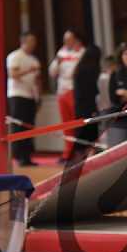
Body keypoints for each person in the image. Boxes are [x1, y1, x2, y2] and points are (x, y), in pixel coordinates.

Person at [47, 30, 85, 162]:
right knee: (66, 125)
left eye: (69, 39)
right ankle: (68, 153)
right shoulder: (61, 52)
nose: (66, 42)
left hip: (75, 90)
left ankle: (80, 152)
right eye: (65, 39)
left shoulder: (82, 52)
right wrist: (58, 62)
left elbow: (78, 72)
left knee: (77, 123)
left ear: (75, 39)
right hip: (62, 91)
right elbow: (52, 72)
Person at [6, 32, 41, 166]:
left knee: (29, 126)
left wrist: (38, 97)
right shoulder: (15, 56)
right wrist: (28, 70)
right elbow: (12, 74)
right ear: (24, 41)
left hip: (30, 95)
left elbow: (37, 80)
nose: (34, 44)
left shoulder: (34, 59)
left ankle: (27, 156)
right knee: (18, 126)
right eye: (31, 41)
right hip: (17, 94)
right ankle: (18, 155)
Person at [68, 45, 102, 164]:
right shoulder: (93, 70)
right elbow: (93, 90)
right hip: (89, 105)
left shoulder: (79, 68)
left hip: (79, 105)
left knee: (80, 133)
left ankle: (78, 158)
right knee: (91, 133)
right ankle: (89, 159)